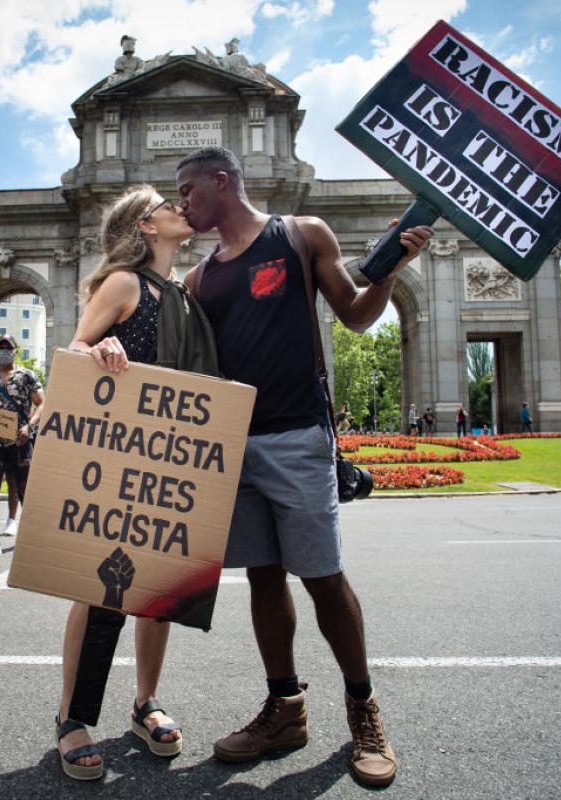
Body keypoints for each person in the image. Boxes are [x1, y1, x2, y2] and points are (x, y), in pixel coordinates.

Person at [176, 146, 431, 787]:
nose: (182, 204)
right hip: (234, 444)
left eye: (187, 190)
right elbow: (179, 362)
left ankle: (364, 710)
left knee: (323, 578)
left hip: (297, 435)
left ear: (221, 181)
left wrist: (391, 271)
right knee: (263, 577)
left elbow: (355, 315)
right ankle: (284, 708)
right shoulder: (198, 280)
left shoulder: (300, 235)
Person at [53, 185, 203, 780]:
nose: (180, 210)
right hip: (115, 452)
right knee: (102, 586)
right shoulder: (122, 283)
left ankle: (146, 703)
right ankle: (73, 716)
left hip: (169, 453)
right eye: (168, 205)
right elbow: (73, 350)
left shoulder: (184, 294)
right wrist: (99, 349)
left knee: (158, 588)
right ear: (145, 225)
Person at [0, 334, 42, 561]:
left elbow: (43, 403)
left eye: (8, 347)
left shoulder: (27, 376)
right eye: (0, 347)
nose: (4, 351)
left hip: (21, 442)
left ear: (15, 351)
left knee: (25, 491)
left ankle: (30, 540)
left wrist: (30, 426)